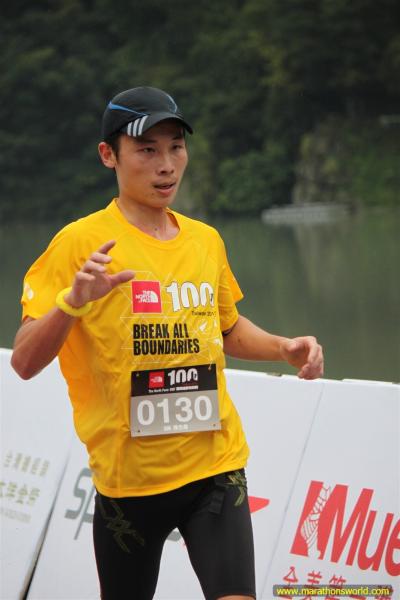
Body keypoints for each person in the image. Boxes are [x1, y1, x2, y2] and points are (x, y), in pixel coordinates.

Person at [11, 86, 324, 600]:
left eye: (176, 147)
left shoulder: (205, 241)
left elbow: (225, 328)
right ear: (108, 155)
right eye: (147, 150)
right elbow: (24, 361)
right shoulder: (79, 244)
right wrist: (72, 302)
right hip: (127, 487)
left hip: (216, 470)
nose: (166, 165)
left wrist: (283, 348)